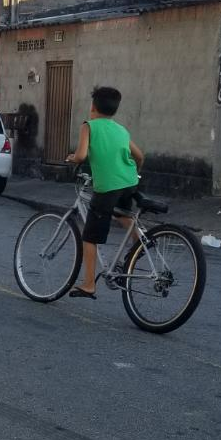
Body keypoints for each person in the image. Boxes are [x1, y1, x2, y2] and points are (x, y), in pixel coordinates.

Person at [66, 86, 144, 299]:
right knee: (122, 213)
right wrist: (135, 175)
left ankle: (89, 284)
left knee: (90, 235)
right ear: (115, 110)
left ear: (93, 107)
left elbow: (82, 156)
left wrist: (72, 158)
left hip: (108, 186)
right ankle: (140, 242)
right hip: (128, 182)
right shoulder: (121, 130)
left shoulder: (88, 126)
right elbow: (140, 156)